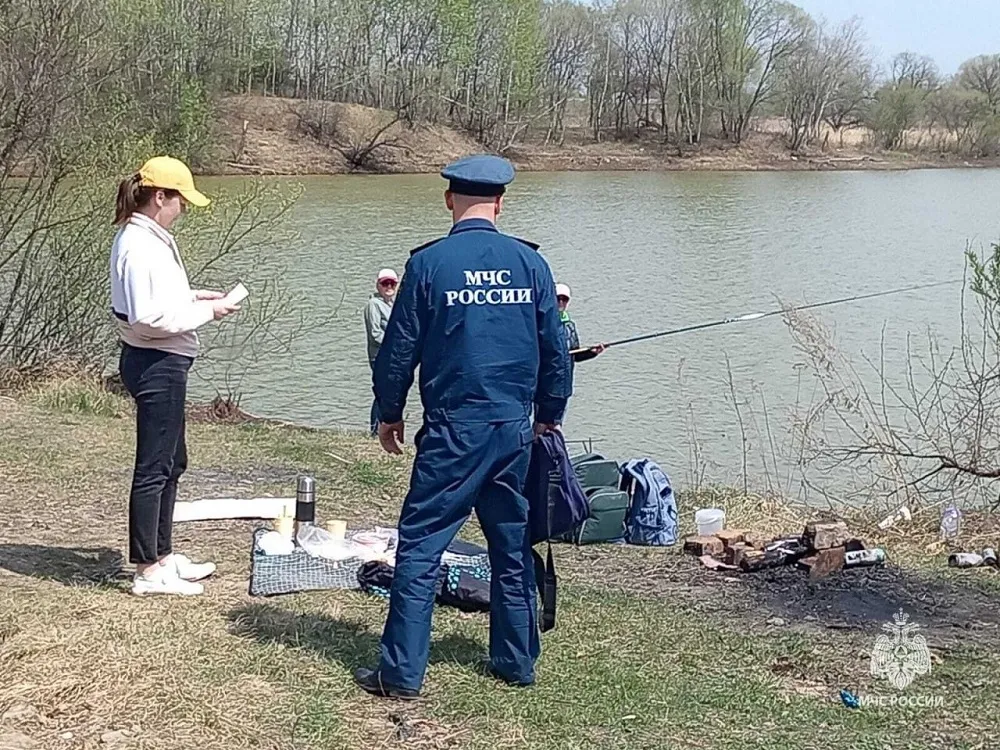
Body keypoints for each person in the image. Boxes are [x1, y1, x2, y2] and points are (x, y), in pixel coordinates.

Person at [354, 154, 571, 699]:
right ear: (500, 202)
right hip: (513, 432)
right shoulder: (530, 265)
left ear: (449, 200)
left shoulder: (429, 265)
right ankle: (516, 663)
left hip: (453, 432)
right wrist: (549, 415)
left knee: (422, 547)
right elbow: (556, 351)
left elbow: (398, 350)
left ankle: (401, 673)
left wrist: (388, 412)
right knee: (510, 546)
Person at [109, 155, 241, 597]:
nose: (183, 209)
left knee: (172, 460)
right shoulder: (139, 243)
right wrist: (209, 310)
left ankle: (163, 555)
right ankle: (147, 568)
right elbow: (147, 316)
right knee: (154, 465)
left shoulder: (150, 238)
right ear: (159, 197)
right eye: (180, 200)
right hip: (155, 363)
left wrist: (193, 294)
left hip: (162, 360)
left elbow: (155, 297)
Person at [554, 282, 605, 421]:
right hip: (547, 384)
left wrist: (592, 352)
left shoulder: (570, 326)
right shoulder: (544, 323)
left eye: (564, 299)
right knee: (543, 423)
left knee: (556, 423)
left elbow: (575, 355)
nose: (560, 302)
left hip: (565, 384)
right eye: (557, 298)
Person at [363, 268, 398, 435]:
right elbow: (375, 333)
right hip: (379, 357)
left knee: (388, 393)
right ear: (378, 285)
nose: (388, 286)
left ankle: (384, 430)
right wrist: (395, 344)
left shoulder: (392, 304)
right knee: (382, 393)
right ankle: (375, 431)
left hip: (391, 356)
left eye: (392, 283)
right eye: (385, 283)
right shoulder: (373, 305)